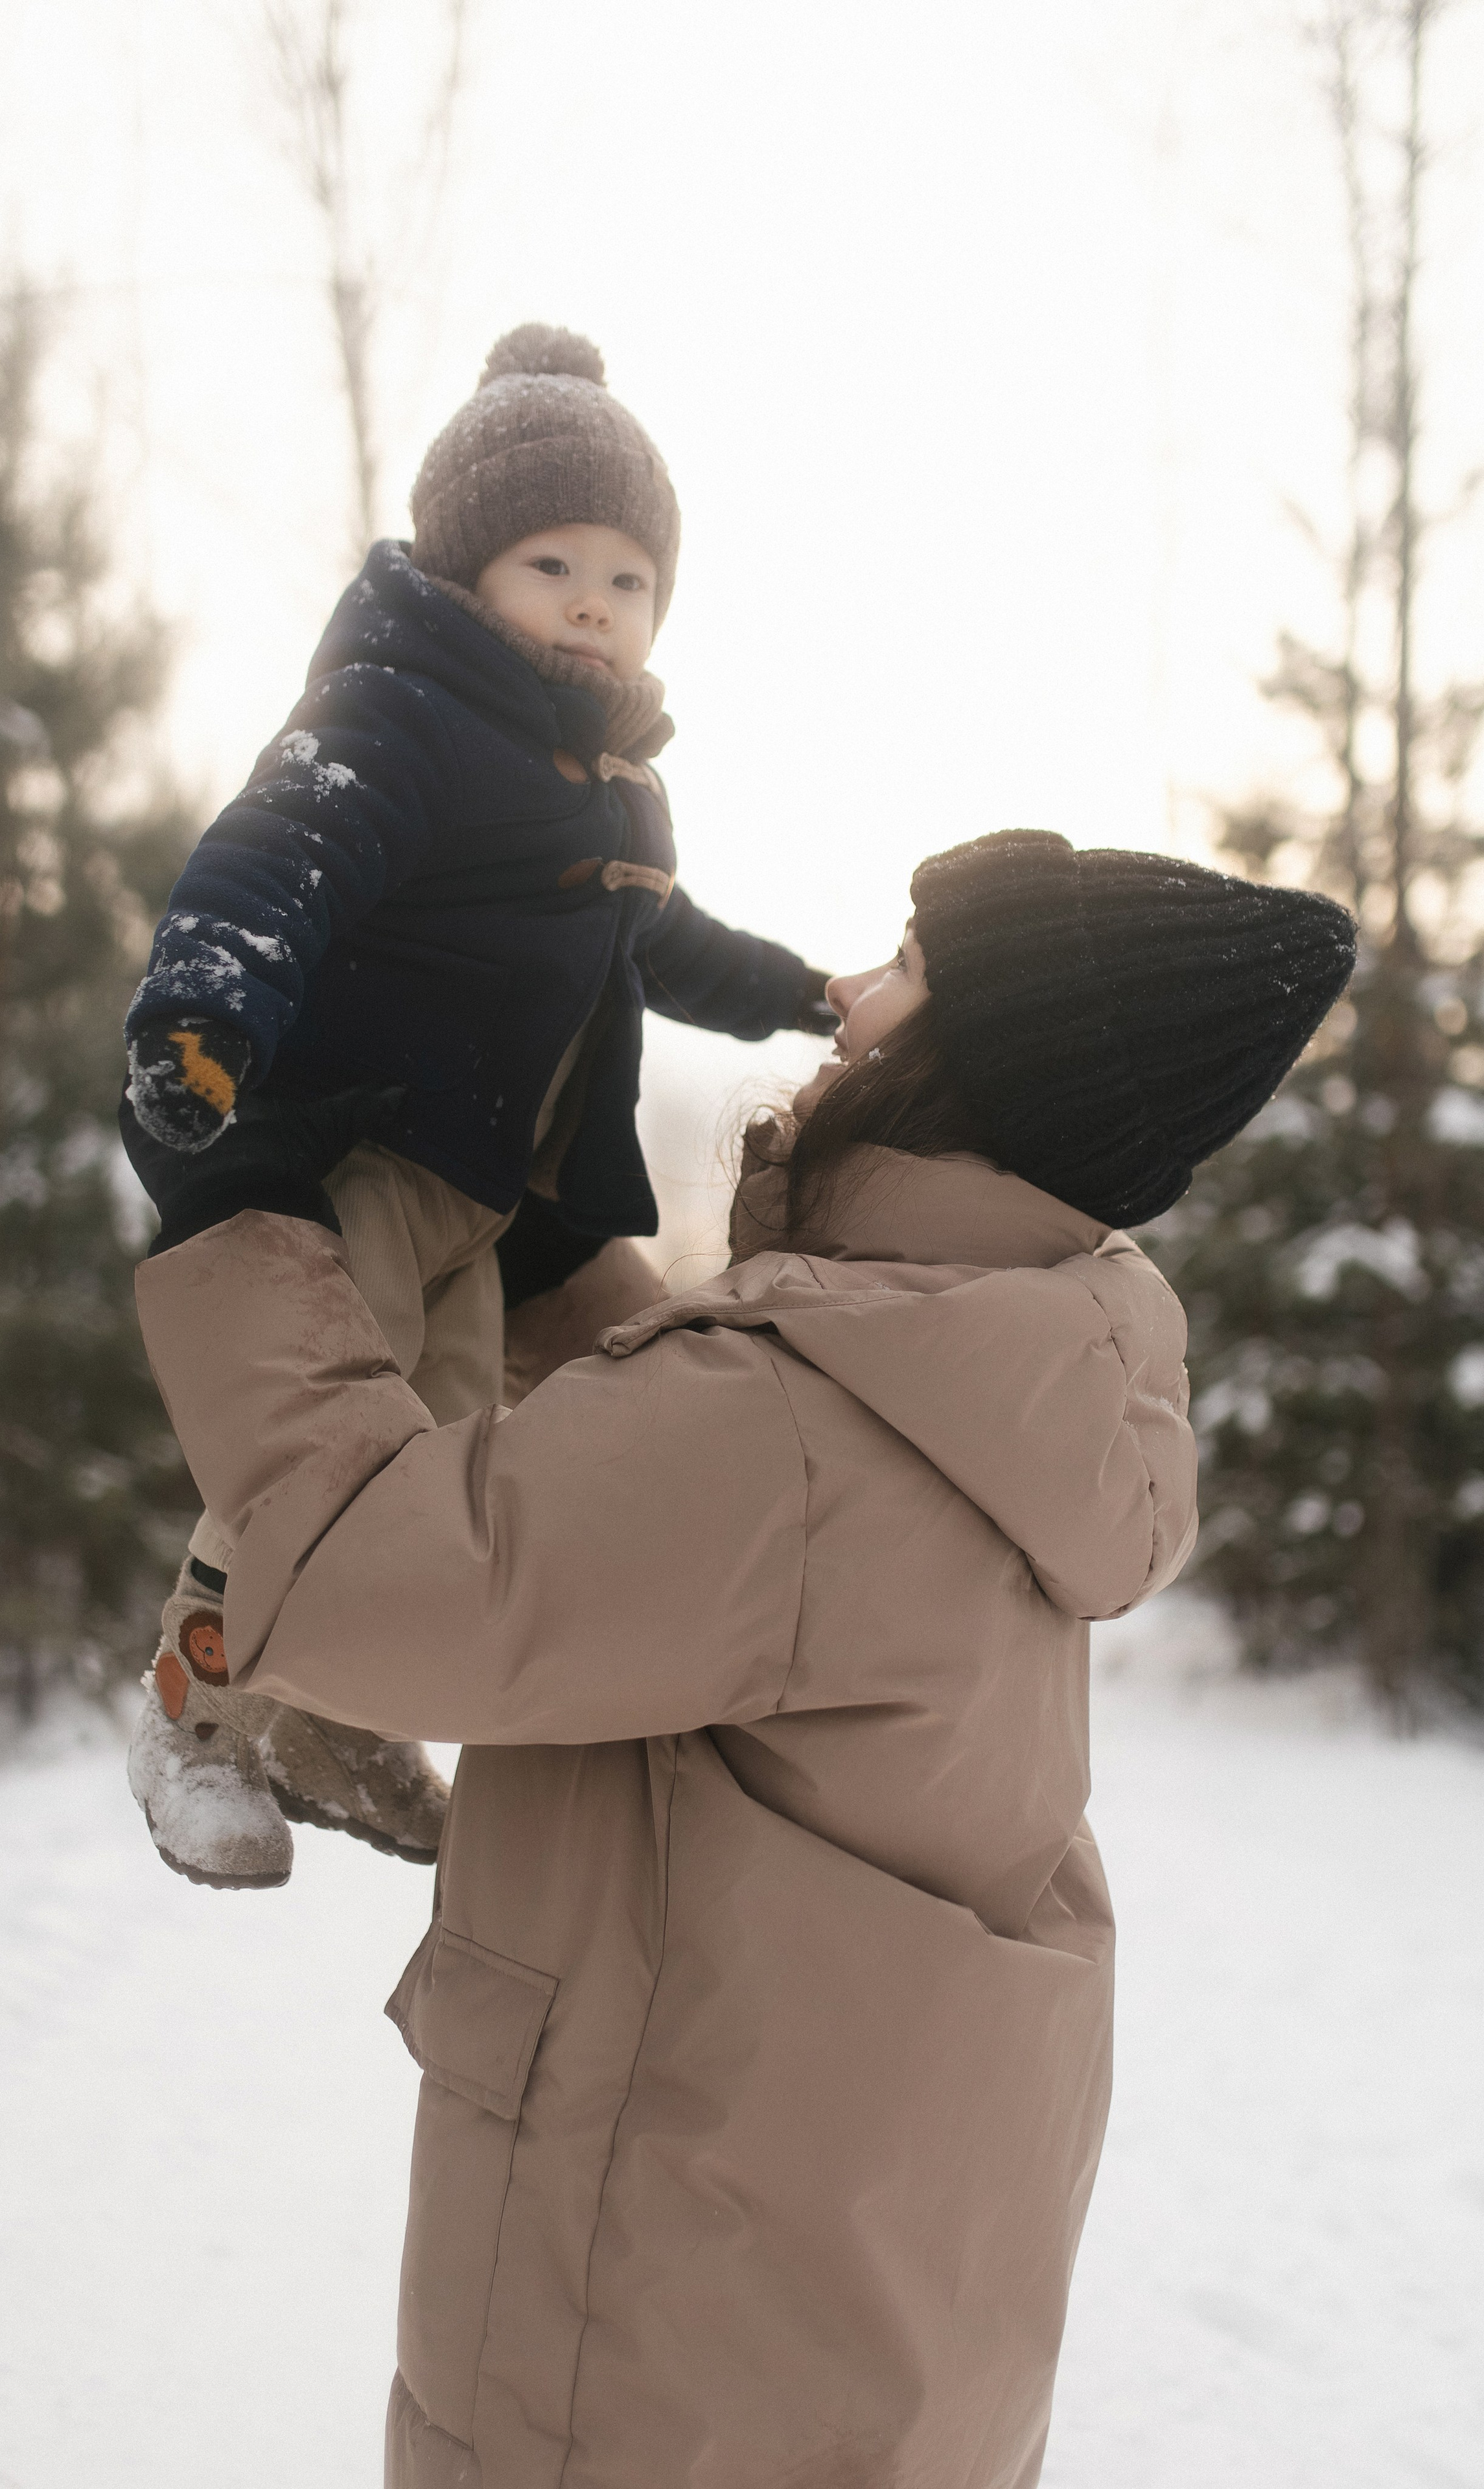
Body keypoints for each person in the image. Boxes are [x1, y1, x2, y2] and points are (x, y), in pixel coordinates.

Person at [125, 826, 1354, 2487]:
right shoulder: (1026, 1359)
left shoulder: (803, 1431)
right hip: (845, 2331)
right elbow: (674, 1479)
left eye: (905, 970)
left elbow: (366, 1570)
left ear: (977, 1067)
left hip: (647, 2349)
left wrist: (239, 1212)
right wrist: (565, 1276)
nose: (847, 996)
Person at [119, 323, 835, 1889]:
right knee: (313, 1457)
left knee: (428, 1471)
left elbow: (666, 941)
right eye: (550, 560)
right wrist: (199, 1017)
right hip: (362, 1151)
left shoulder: (616, 792)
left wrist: (807, 995)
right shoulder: (402, 711)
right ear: (461, 573)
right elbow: (270, 860)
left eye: (629, 579)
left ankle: (338, 1721)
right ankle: (196, 1719)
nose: (592, 600)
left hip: (488, 1199)